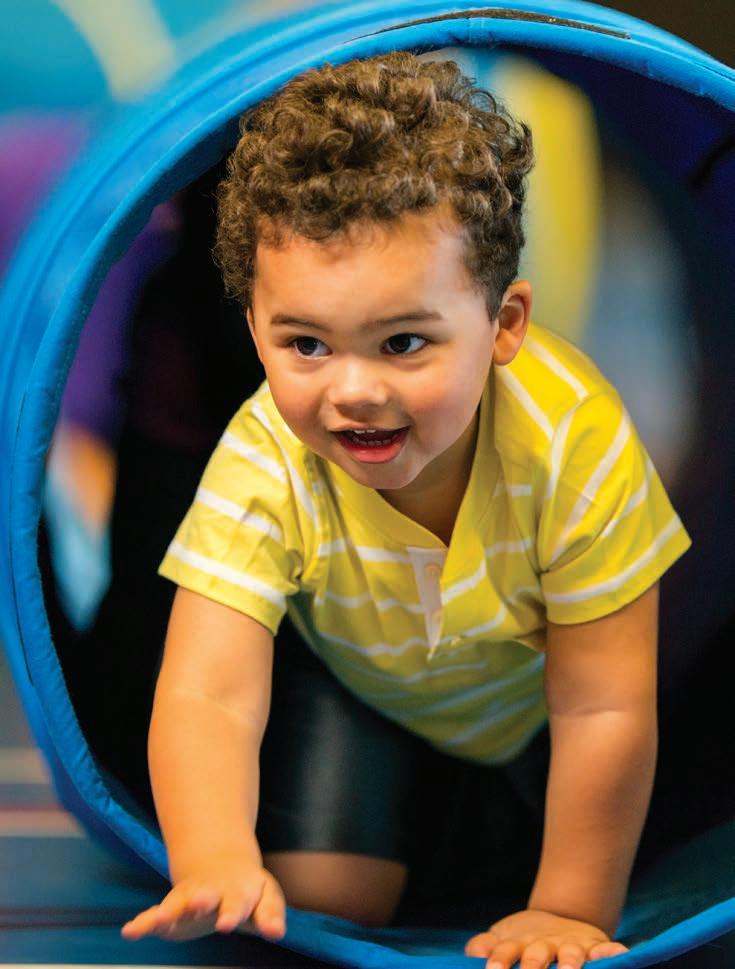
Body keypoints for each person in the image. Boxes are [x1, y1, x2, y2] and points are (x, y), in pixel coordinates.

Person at [121, 52, 691, 969]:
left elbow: (602, 703)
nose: (353, 391)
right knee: (321, 906)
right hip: (362, 685)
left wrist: (568, 907)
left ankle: (466, 829)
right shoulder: (266, 457)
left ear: (504, 324)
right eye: (306, 344)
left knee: (589, 840)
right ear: (255, 327)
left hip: (530, 706)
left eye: (402, 343)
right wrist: (215, 856)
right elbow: (208, 690)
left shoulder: (571, 444)